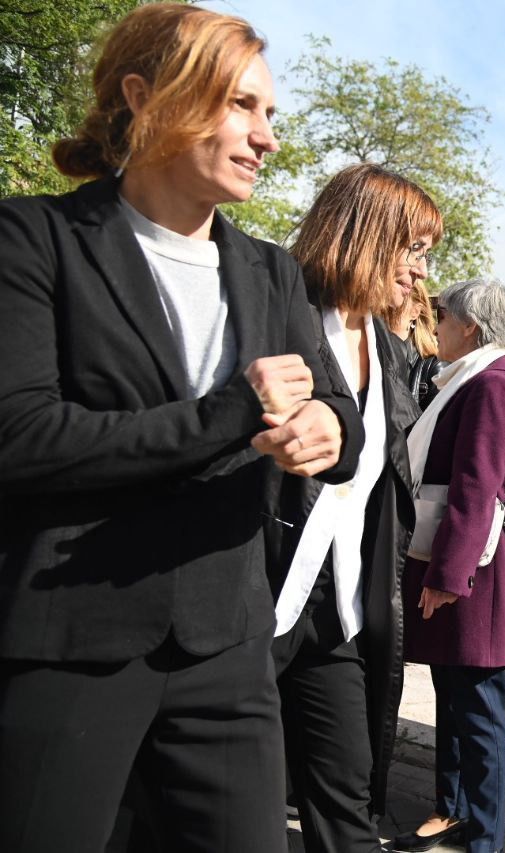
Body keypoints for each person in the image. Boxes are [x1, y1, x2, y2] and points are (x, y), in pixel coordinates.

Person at [0, 5, 364, 853]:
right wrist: (233, 412)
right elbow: (20, 436)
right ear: (146, 96)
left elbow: (338, 409)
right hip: (71, 643)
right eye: (240, 105)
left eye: (269, 113)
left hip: (229, 648)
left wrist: (323, 430)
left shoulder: (271, 270)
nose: (265, 136)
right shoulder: (36, 240)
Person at [266, 163, 441, 853]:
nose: (422, 273)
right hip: (252, 605)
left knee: (347, 804)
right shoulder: (279, 313)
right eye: (415, 250)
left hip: (334, 616)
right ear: (369, 234)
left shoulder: (391, 352)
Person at [394, 279, 505, 853]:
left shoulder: (491, 388)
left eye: (442, 315)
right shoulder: (469, 381)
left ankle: (486, 837)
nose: (435, 326)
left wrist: (449, 577)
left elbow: (477, 490)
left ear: (471, 325)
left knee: (478, 712)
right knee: (451, 699)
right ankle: (450, 812)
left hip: (473, 577)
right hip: (454, 569)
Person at [388, 279, 444, 410]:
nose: (381, 316)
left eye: (391, 309)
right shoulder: (367, 355)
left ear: (415, 311)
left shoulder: (434, 369)